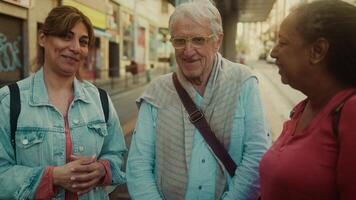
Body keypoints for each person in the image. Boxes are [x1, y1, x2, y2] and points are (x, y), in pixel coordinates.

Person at [126, 1, 270, 199]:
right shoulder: (156, 91)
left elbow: (257, 154)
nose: (187, 50)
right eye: (179, 41)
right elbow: (138, 164)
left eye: (198, 40)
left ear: (217, 41)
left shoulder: (243, 81)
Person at [0, 6, 126, 199]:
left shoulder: (100, 100)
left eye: (83, 42)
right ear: (42, 38)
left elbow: (116, 153)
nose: (75, 48)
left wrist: (102, 169)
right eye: (66, 37)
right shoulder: (10, 101)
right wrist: (52, 177)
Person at [259, 1, 356, 199]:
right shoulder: (303, 109)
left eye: (283, 43)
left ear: (317, 51)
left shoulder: (351, 111)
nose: (273, 52)